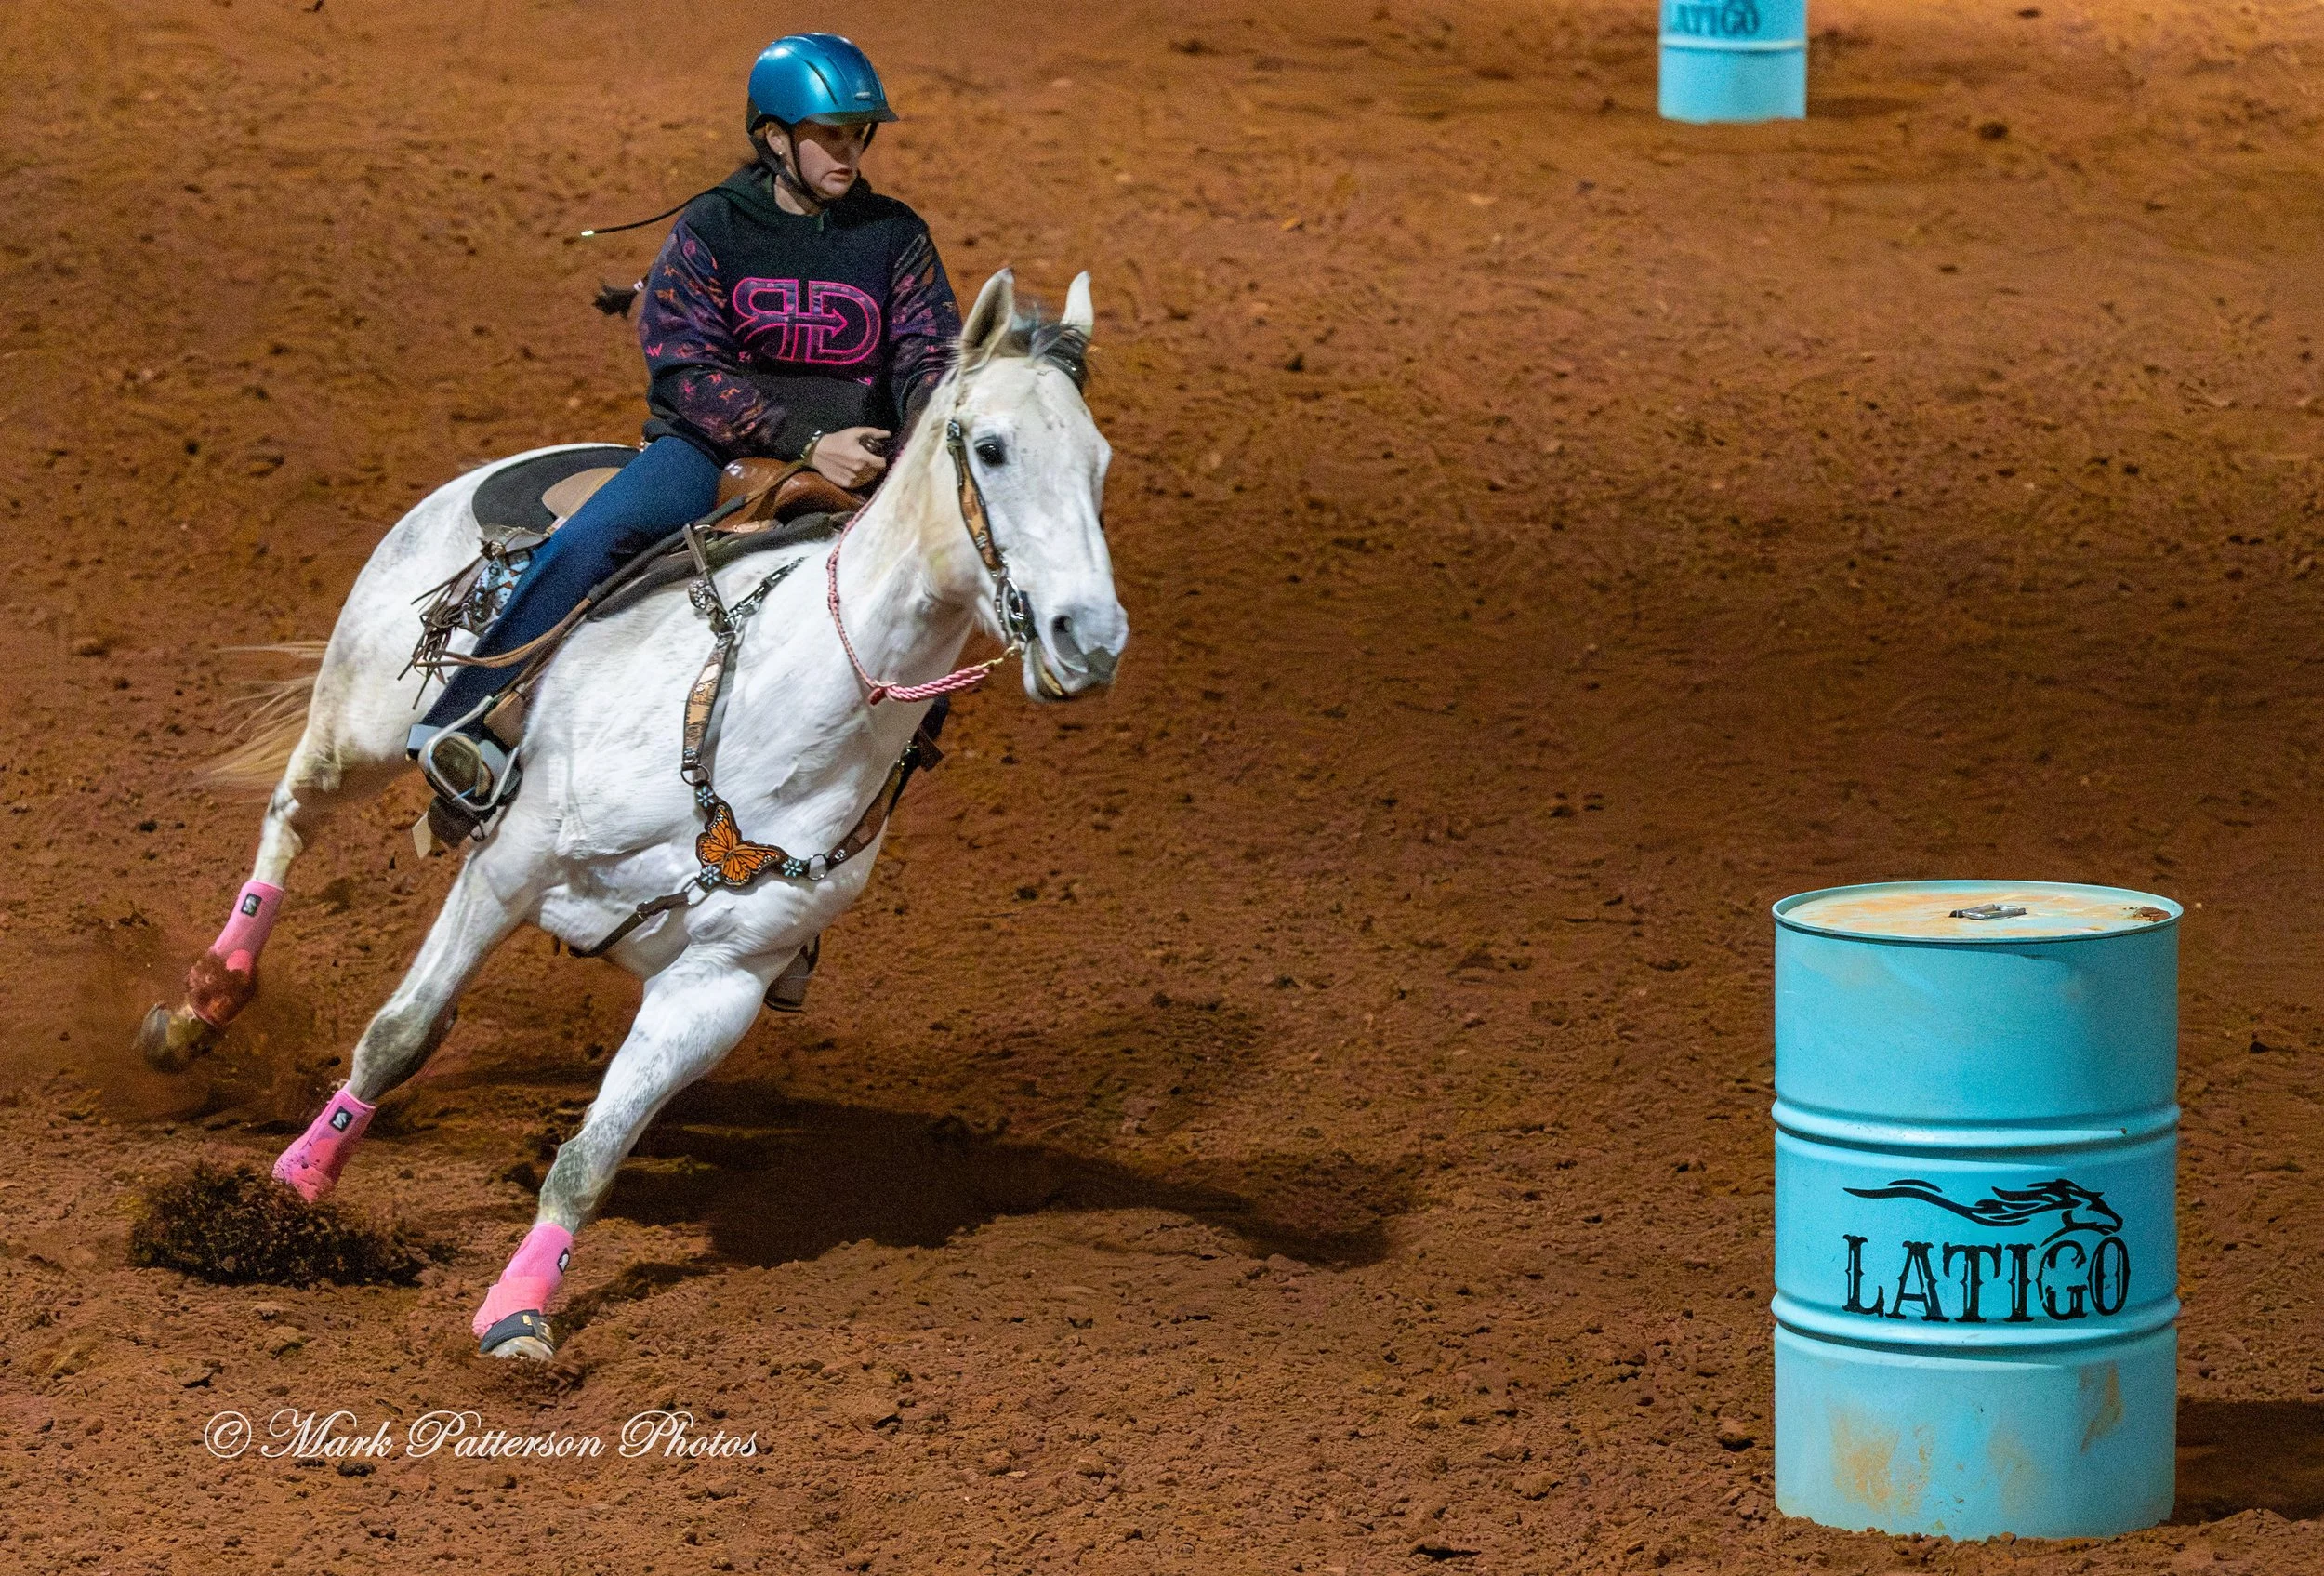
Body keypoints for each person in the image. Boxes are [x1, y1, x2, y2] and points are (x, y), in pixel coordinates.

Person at [408, 32, 962, 829]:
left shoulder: (894, 235)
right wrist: (807, 442)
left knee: (940, 586)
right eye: (829, 135)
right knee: (594, 539)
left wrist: (905, 456)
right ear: (775, 137)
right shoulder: (711, 230)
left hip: (860, 466)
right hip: (712, 450)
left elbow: (928, 357)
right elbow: (686, 369)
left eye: (857, 134)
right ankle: (464, 724)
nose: (849, 151)